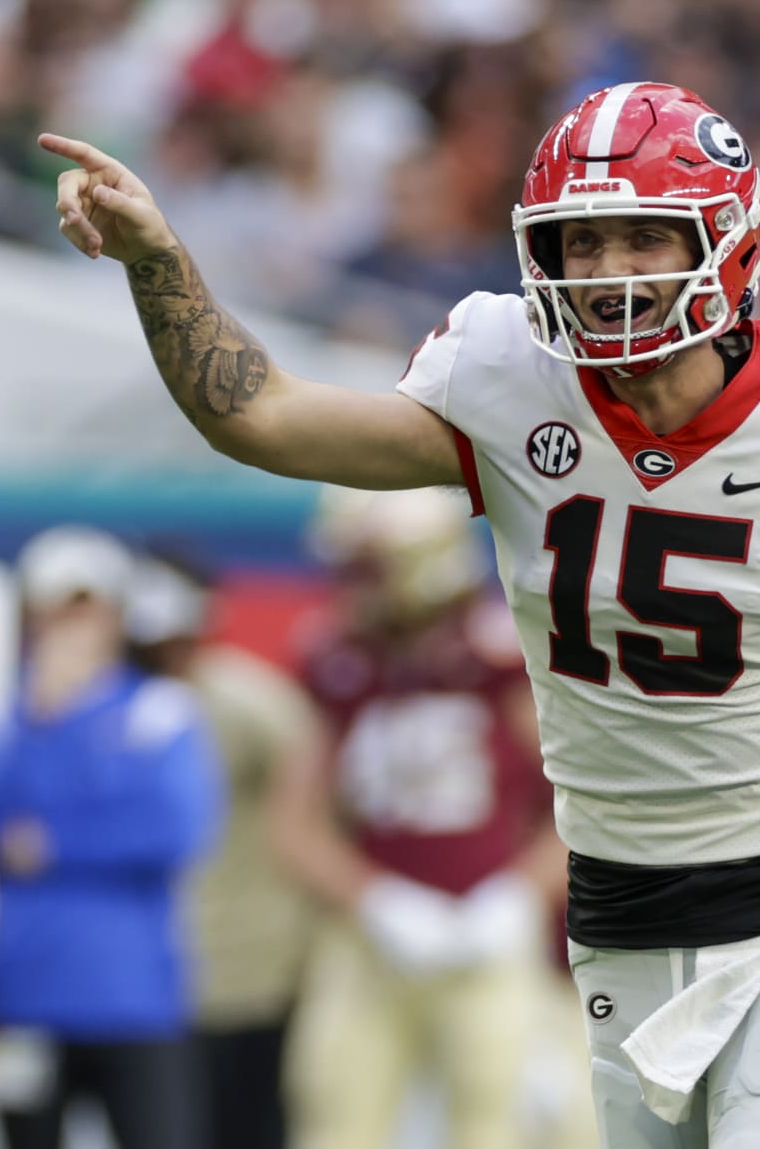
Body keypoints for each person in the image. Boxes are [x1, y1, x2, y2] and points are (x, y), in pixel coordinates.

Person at [40, 81, 760, 1147]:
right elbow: (258, 417)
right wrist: (157, 260)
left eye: (644, 237)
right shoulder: (507, 380)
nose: (606, 274)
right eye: (579, 242)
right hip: (619, 921)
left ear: (726, 243)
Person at [277, 485, 567, 1149]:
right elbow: (293, 825)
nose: (351, 584)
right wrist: (375, 900)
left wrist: (517, 896)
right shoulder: (341, 662)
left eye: (368, 565)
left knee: (499, 1120)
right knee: (334, 1113)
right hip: (370, 938)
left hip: (486, 933)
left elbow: (581, 808)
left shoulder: (498, 656)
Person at [0, 526, 224, 1149]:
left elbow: (176, 828)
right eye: (58, 606)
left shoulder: (161, 709)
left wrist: (55, 845)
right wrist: (42, 717)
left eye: (89, 606)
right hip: (18, 994)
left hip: (131, 996)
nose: (73, 624)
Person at [121, 549, 322, 1149]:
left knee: (248, 1128)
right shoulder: (110, 704)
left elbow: (315, 804)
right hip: (146, 975)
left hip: (247, 970)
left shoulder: (251, 702)